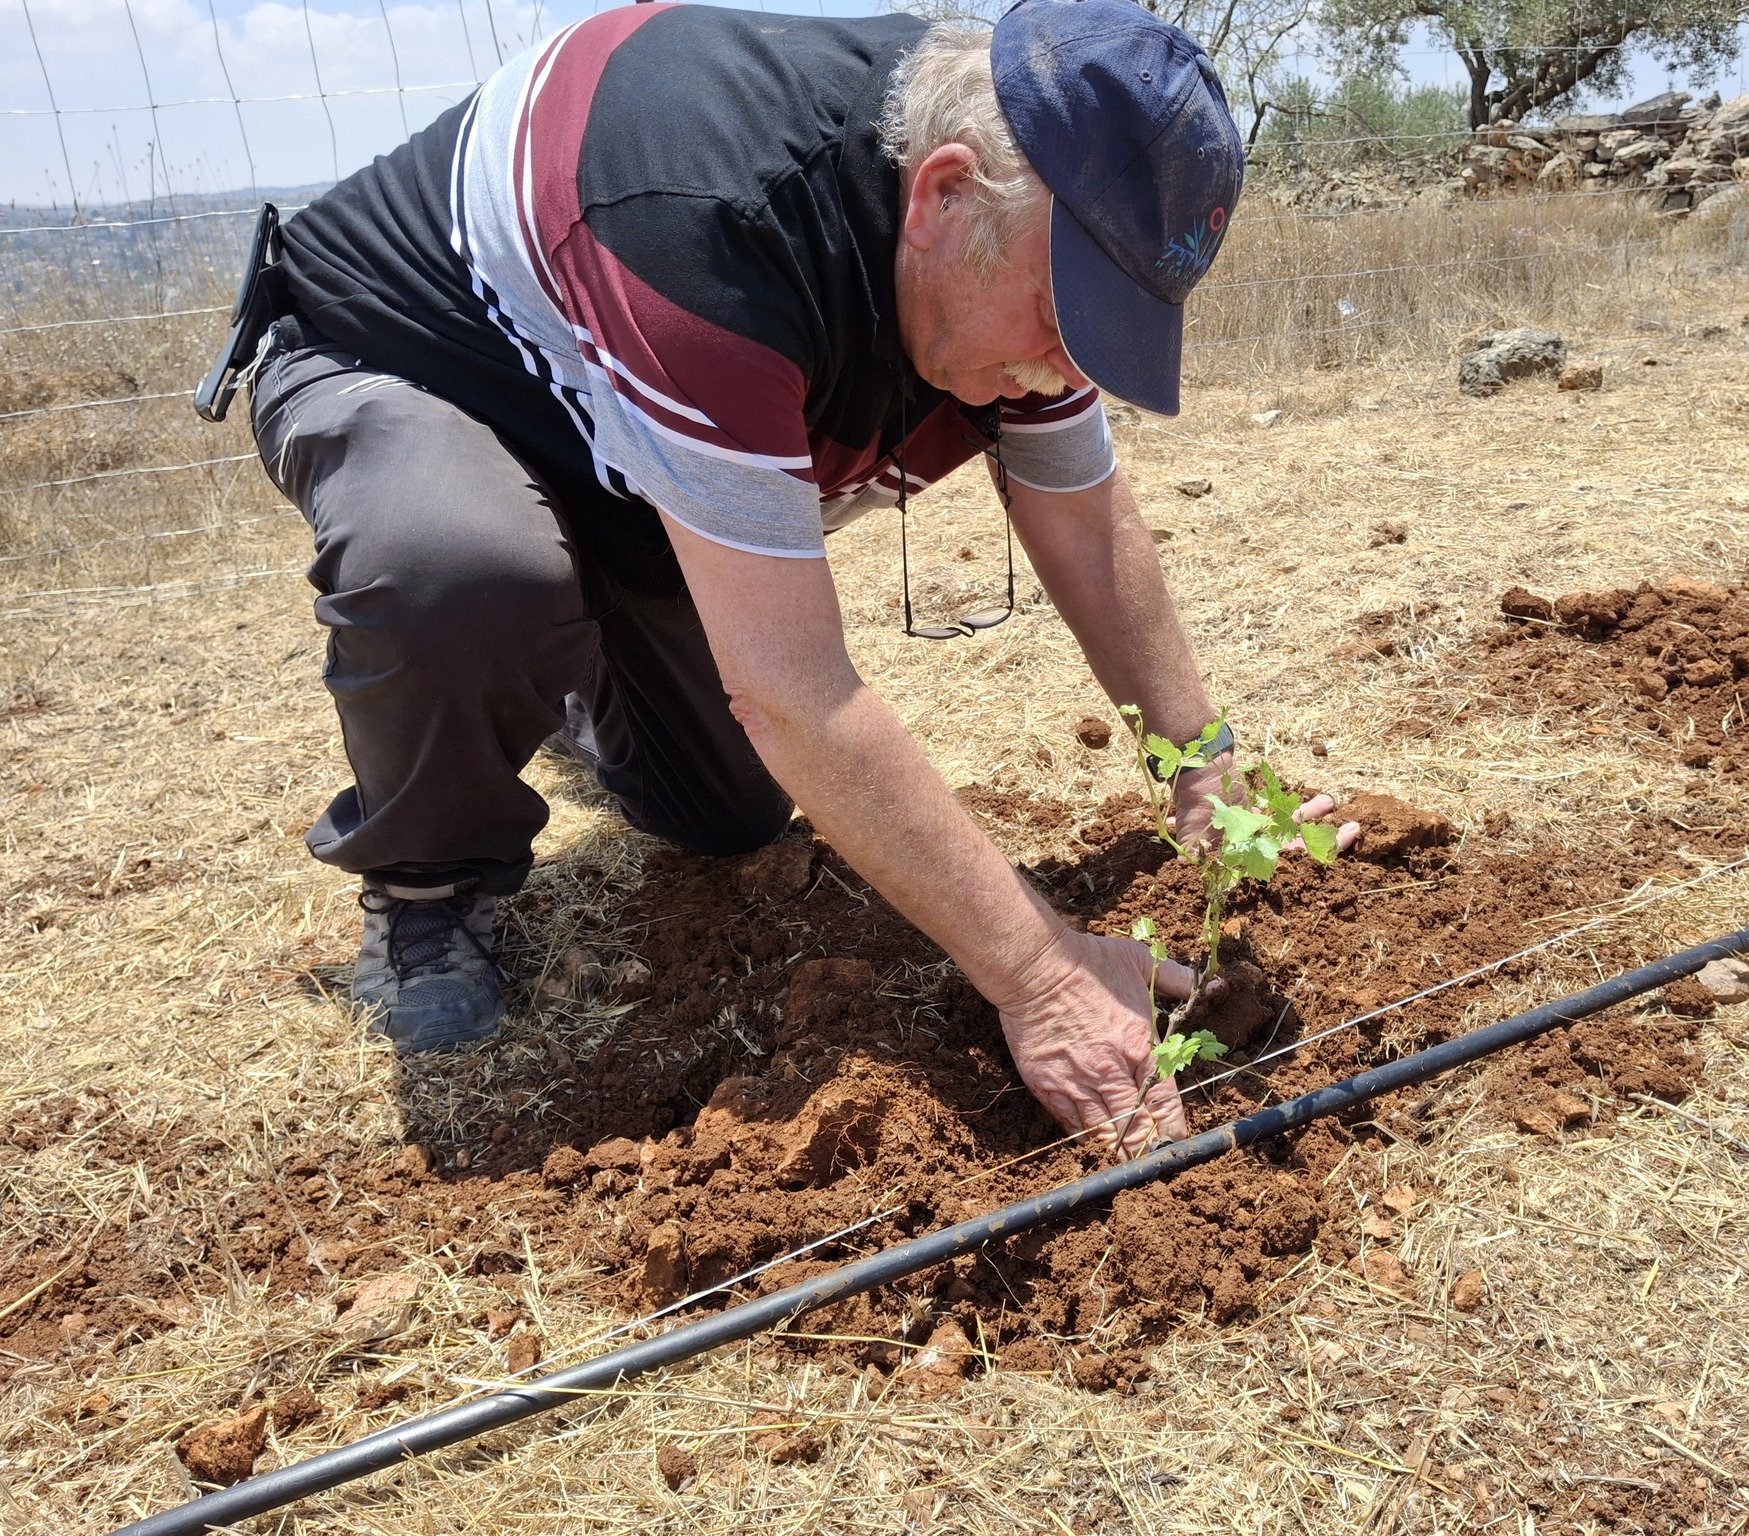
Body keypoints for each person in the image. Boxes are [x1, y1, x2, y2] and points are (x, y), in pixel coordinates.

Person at [244, 0, 1336, 1161]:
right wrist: (1040, 973)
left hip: (634, 450)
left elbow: (1080, 524)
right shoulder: (705, 231)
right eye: (1070, 316)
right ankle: (423, 892)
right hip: (417, 365)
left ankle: (573, 673)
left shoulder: (1013, 239)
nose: (1071, 363)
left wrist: (1197, 763)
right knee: (463, 573)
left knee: (724, 819)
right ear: (941, 194)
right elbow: (791, 688)